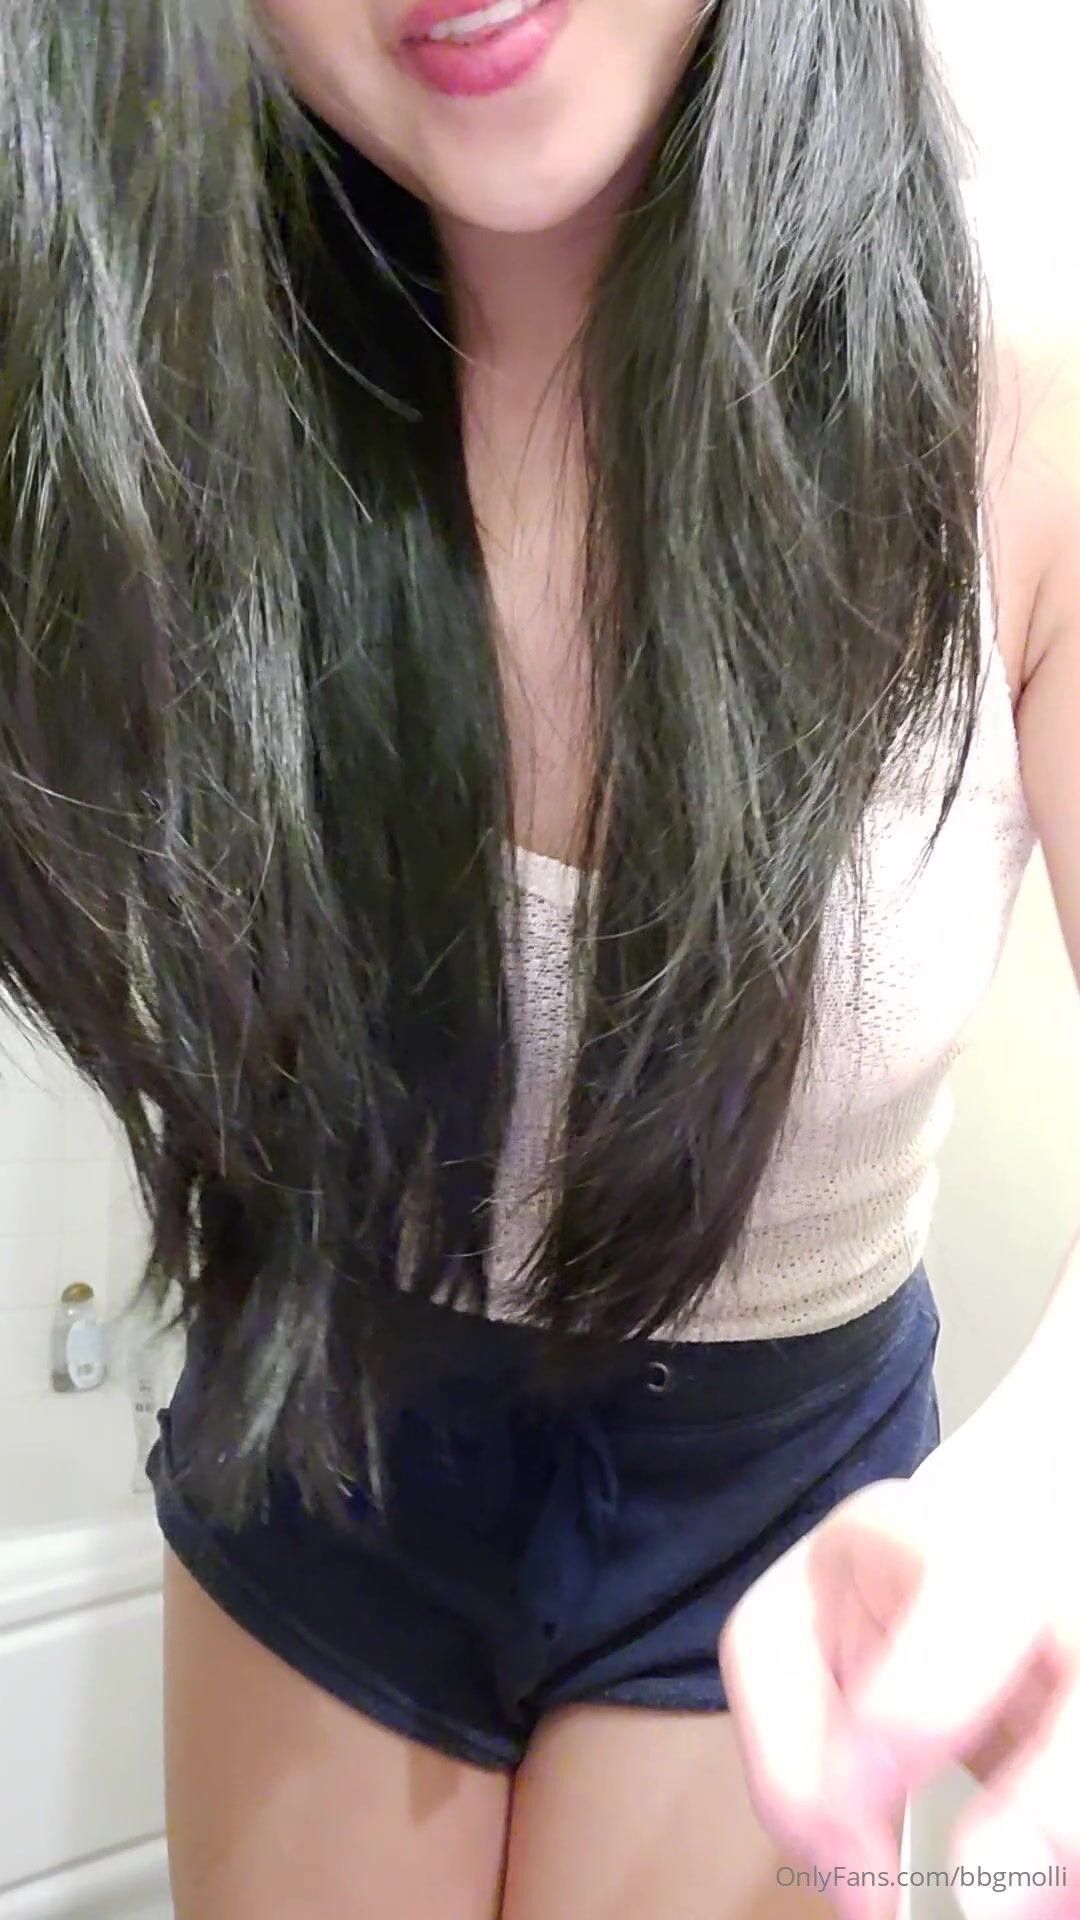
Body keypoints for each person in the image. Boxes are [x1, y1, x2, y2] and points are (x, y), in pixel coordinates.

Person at [1, 2, 1077, 1916]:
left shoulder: (1018, 429)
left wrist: (1051, 1480)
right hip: (332, 1437)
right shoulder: (160, 396)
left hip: (774, 1496)